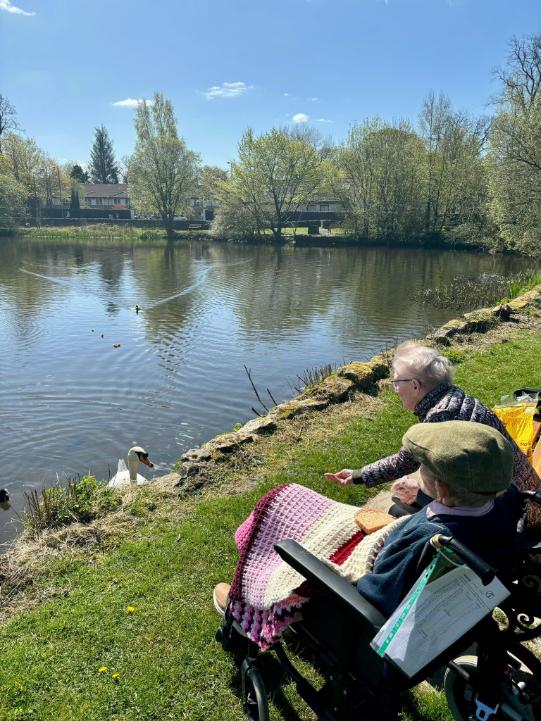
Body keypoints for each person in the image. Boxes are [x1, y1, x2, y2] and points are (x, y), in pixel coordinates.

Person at [214, 421, 521, 646]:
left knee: (287, 522)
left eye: (421, 466)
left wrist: (337, 564)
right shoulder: (506, 500)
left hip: (366, 600)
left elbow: (374, 596)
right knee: (299, 499)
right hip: (425, 565)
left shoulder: (425, 538)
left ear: (440, 486)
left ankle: (248, 610)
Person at [325, 342, 541, 528]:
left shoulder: (441, 415)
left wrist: (357, 476)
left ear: (415, 385)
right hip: (527, 497)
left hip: (515, 512)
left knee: (398, 508)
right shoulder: (454, 397)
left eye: (396, 382)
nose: (395, 389)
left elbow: (404, 462)